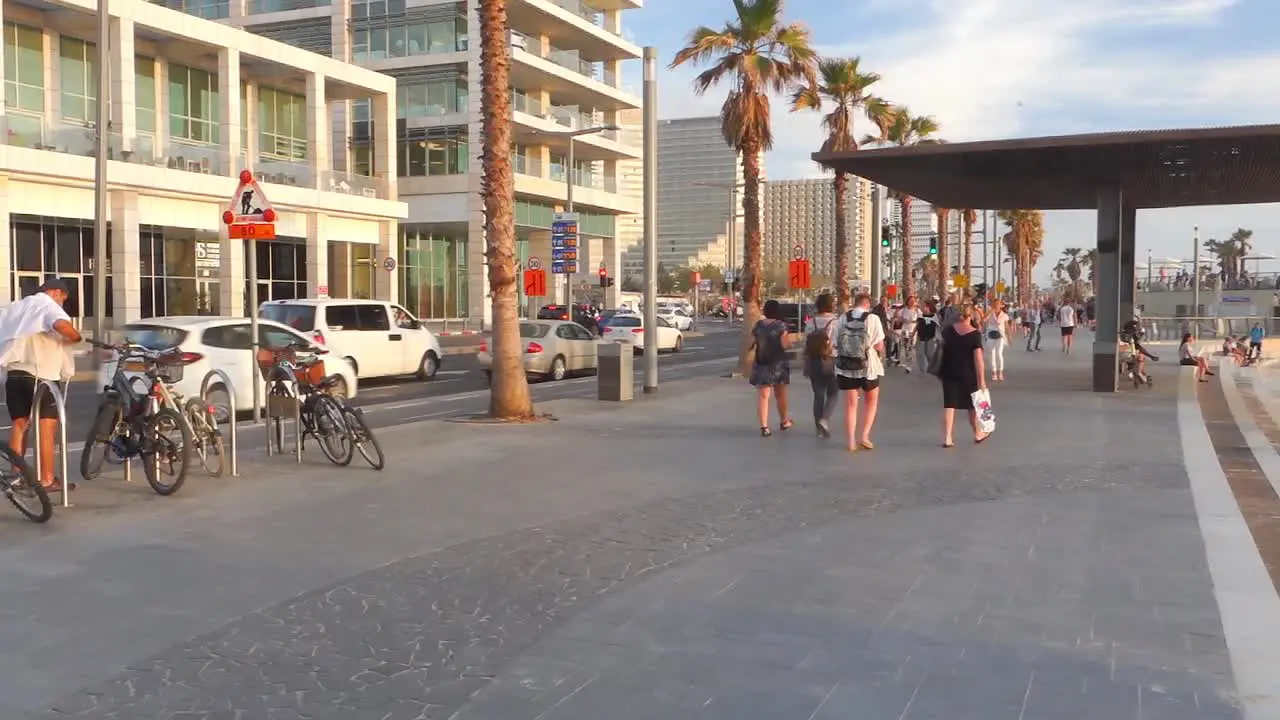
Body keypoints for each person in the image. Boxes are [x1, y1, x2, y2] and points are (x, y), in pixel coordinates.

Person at [0, 279, 81, 491]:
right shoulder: (47, 305)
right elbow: (61, 324)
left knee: (19, 425)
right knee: (47, 427)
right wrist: (76, 336)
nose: (62, 303)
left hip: (15, 372)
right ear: (56, 292)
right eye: (63, 298)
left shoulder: (16, 307)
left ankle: (16, 476)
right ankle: (46, 479)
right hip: (42, 375)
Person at [834, 293, 885, 452]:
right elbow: (879, 345)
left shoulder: (843, 318)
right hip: (868, 366)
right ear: (867, 304)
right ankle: (864, 436)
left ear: (854, 303)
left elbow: (836, 341)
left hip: (846, 366)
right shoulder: (873, 319)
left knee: (850, 404)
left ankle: (850, 441)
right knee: (871, 401)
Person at [937, 302, 990, 447]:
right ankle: (978, 433)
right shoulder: (974, 334)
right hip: (968, 373)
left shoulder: (948, 331)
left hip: (948, 371)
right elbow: (978, 360)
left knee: (949, 405)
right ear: (970, 315)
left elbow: (942, 348)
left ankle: (947, 438)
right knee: (971, 406)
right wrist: (982, 381)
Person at [749, 299, 793, 436]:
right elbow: (785, 345)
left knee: (763, 396)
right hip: (778, 364)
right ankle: (784, 421)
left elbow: (752, 343)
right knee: (780, 395)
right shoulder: (781, 326)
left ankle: (764, 427)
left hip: (762, 363)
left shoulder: (758, 325)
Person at [803, 293, 840, 438]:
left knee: (818, 396)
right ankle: (825, 419)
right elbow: (839, 342)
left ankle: (818, 429)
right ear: (832, 305)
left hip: (814, 362)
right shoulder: (836, 322)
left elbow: (806, 342)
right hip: (831, 360)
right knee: (833, 393)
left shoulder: (811, 322)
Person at [984, 299, 1012, 382]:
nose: (996, 305)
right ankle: (994, 372)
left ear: (1000, 305)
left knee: (999, 354)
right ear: (992, 305)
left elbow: (1007, 327)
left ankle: (1000, 372)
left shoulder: (1004, 315)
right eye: (995, 304)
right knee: (991, 354)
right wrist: (990, 311)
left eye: (998, 304)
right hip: (991, 335)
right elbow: (984, 320)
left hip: (1000, 335)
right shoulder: (990, 313)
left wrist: (1009, 337)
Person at [914, 298, 940, 373]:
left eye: (924, 306)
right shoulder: (920, 315)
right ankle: (923, 369)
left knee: (929, 354)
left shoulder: (934, 316)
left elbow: (938, 327)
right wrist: (913, 334)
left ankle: (932, 367)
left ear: (928, 307)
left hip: (930, 337)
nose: (922, 307)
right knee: (920, 353)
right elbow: (917, 325)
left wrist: (939, 337)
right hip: (920, 337)